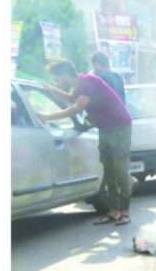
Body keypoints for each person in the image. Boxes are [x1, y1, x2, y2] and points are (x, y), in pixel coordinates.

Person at [37, 60, 133, 226]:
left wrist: (48, 117)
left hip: (120, 127)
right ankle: (113, 211)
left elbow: (77, 108)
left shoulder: (88, 81)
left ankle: (124, 212)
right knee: (108, 170)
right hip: (105, 128)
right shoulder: (79, 84)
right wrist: (52, 90)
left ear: (65, 75)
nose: (57, 82)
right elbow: (71, 98)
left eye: (57, 79)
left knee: (120, 169)